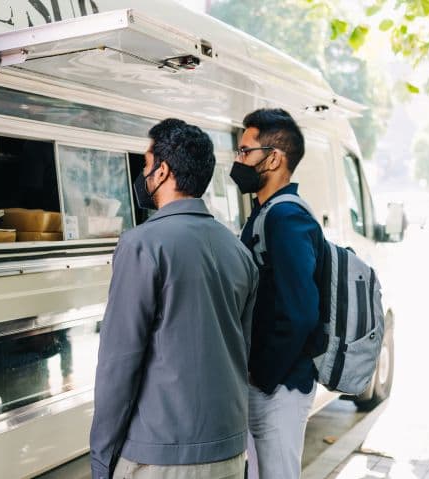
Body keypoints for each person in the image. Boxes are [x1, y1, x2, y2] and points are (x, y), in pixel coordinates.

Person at [90, 118, 258, 479]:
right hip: (228, 450)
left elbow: (119, 364)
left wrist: (102, 457)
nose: (143, 173)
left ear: (163, 171)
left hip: (159, 455)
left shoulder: (142, 244)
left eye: (146, 164)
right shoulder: (238, 251)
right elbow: (243, 350)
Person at [229, 108, 325, 479]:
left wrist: (261, 374)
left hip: (280, 384)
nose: (239, 161)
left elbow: (300, 311)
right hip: (270, 381)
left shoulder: (286, 218)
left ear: (273, 158)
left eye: (245, 151)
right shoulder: (265, 212)